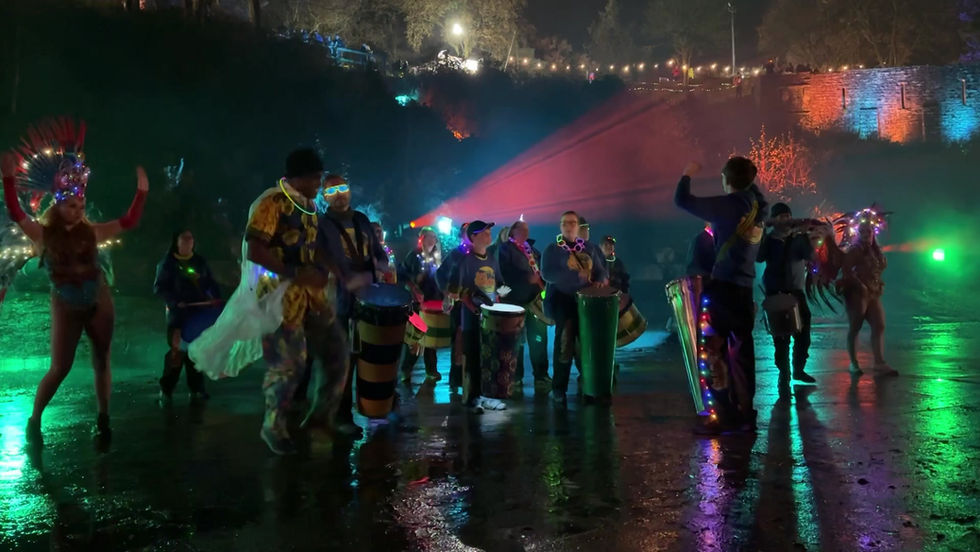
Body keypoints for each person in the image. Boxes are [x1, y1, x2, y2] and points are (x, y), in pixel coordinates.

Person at [0, 120, 148, 445]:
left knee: (102, 359)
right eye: (71, 206)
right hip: (65, 303)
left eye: (81, 206)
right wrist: (9, 178)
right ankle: (34, 419)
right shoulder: (42, 234)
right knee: (60, 367)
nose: (78, 211)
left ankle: (103, 419)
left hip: (98, 299)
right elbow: (16, 213)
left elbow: (128, 221)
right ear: (58, 205)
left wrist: (142, 192)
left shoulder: (92, 232)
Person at [244, 148, 347, 454]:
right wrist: (295, 273)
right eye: (315, 178)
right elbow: (255, 250)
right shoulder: (272, 202)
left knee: (337, 352)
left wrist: (332, 266)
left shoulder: (309, 205)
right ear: (298, 177)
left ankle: (320, 419)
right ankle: (273, 426)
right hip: (278, 298)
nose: (319, 184)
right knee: (289, 365)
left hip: (311, 297)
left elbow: (310, 245)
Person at [674, 157, 768, 434]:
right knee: (742, 356)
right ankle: (745, 414)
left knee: (714, 352)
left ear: (727, 180)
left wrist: (687, 173)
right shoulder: (759, 207)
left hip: (723, 289)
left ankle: (723, 415)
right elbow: (758, 196)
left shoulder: (727, 205)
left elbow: (682, 200)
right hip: (745, 290)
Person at [318, 175, 388, 437]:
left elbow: (379, 253)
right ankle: (340, 415)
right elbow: (318, 258)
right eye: (331, 191)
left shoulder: (361, 219)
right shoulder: (322, 225)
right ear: (324, 197)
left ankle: (373, 406)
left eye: (342, 188)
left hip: (369, 296)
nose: (338, 194)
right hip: (338, 300)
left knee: (369, 355)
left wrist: (378, 267)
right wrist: (345, 278)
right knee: (342, 360)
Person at [541, 211, 608, 404]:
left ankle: (590, 387)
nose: (568, 226)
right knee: (564, 342)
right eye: (564, 223)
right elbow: (547, 274)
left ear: (578, 226)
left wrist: (600, 280)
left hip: (586, 302)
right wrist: (573, 276)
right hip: (562, 301)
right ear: (560, 226)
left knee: (586, 344)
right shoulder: (552, 249)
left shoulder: (590, 248)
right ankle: (559, 389)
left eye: (572, 222)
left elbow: (601, 270)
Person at [153, 229, 221, 404]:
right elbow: (159, 288)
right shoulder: (168, 263)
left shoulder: (200, 262)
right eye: (184, 238)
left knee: (196, 351)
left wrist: (214, 298)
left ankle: (197, 388)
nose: (188, 241)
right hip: (178, 314)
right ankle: (166, 389)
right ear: (176, 241)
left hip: (199, 314)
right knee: (178, 351)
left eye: (191, 238)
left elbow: (211, 283)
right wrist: (175, 302)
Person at [449, 220, 507, 413]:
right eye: (485, 232)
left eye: (490, 231)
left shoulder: (491, 258)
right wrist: (472, 307)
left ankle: (487, 396)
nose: (489, 234)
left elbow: (500, 283)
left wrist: (502, 297)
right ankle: (472, 398)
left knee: (488, 358)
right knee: (472, 358)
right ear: (473, 237)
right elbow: (458, 290)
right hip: (471, 318)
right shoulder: (465, 261)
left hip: (490, 317)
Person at [757, 203, 817, 385]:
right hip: (776, 292)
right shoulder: (769, 240)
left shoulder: (797, 238)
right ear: (775, 219)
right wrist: (762, 232)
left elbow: (809, 255)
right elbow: (759, 257)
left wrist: (804, 233)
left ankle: (799, 369)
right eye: (781, 216)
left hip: (796, 291)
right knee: (780, 335)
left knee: (803, 332)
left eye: (788, 216)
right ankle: (784, 372)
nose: (786, 219)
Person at [838, 209, 897, 377]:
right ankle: (854, 363)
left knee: (879, 325)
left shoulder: (876, 250)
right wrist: (860, 285)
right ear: (858, 233)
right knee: (855, 327)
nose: (865, 234)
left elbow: (878, 268)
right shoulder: (854, 250)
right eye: (862, 231)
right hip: (857, 294)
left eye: (868, 231)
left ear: (873, 232)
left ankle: (879, 362)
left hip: (873, 293)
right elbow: (846, 270)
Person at [498, 220, 550, 390]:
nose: (525, 232)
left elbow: (543, 269)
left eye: (527, 229)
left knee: (539, 339)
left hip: (534, 301)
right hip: (515, 302)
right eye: (521, 229)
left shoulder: (532, 250)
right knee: (516, 341)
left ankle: (541, 375)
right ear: (513, 232)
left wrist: (543, 281)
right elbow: (503, 274)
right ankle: (516, 377)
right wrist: (526, 279)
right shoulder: (505, 249)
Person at [398, 226, 443, 383]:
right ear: (422, 238)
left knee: (430, 339)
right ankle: (406, 370)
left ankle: (431, 370)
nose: (433, 240)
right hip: (416, 304)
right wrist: (414, 285)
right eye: (430, 236)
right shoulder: (414, 256)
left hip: (432, 304)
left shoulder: (437, 257)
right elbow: (402, 275)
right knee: (415, 338)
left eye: (435, 237)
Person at [436, 222, 470, 393]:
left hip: (477, 304)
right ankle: (456, 378)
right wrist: (446, 293)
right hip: (459, 305)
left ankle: (471, 377)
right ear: (462, 235)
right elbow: (440, 274)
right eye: (468, 232)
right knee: (459, 340)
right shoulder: (456, 254)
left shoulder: (483, 253)